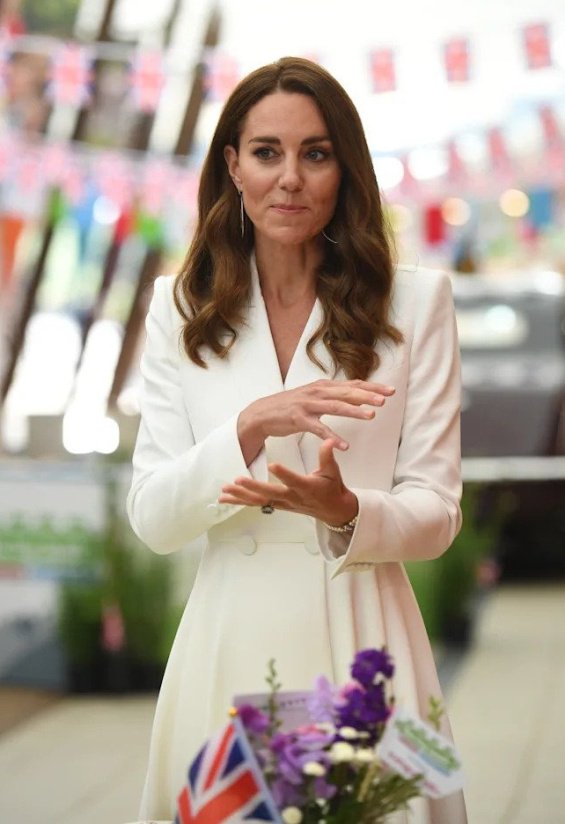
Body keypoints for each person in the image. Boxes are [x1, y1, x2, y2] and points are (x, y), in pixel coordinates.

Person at [127, 56, 467, 823]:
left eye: (315, 153)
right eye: (266, 152)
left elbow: (438, 512)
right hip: (227, 638)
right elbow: (151, 517)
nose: (289, 177)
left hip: (365, 639)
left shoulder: (416, 302)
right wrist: (249, 427)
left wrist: (349, 511)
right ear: (232, 167)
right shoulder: (175, 308)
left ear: (344, 170)